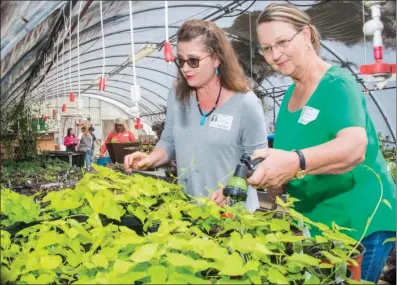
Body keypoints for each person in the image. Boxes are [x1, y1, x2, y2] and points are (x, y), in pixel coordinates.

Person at [250, 3, 396, 283]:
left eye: (282, 42)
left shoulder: (337, 84)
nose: (274, 55)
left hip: (359, 225)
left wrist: (295, 162)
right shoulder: (290, 96)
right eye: (266, 48)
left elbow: (354, 148)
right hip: (321, 228)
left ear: (306, 35)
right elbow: (293, 156)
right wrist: (278, 179)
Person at [124, 19, 268, 212]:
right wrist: (149, 159)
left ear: (216, 58)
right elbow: (168, 142)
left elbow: (258, 160)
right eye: (180, 60)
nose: (185, 68)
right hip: (190, 211)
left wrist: (231, 187)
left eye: (193, 60)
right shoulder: (177, 98)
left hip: (234, 216)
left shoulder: (245, 104)